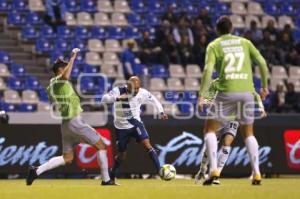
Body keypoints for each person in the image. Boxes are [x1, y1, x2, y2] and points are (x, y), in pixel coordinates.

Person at [26, 48, 116, 186]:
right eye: (64, 66)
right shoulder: (57, 81)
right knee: (101, 146)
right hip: (74, 121)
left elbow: (52, 98)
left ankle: (37, 171)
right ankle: (106, 180)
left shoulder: (51, 85)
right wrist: (73, 57)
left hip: (66, 124)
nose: (67, 68)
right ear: (60, 70)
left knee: (67, 158)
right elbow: (65, 76)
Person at [198, 16, 269, 185]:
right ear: (232, 28)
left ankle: (214, 170)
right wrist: (264, 87)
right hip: (246, 92)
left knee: (209, 131)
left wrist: (202, 94)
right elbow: (262, 63)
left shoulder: (214, 45)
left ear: (217, 30)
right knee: (249, 134)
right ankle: (257, 173)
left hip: (226, 91)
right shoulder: (245, 42)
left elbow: (208, 70)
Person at [195, 79, 267, 185]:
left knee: (227, 143)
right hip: (218, 117)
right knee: (210, 144)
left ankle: (216, 173)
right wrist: (207, 102)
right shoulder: (215, 83)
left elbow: (255, 94)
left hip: (232, 119)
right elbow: (208, 99)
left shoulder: (243, 81)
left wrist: (261, 107)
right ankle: (202, 169)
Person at [101, 76, 168, 184]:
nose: (136, 91)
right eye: (134, 89)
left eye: (137, 88)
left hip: (135, 123)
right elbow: (104, 98)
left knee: (147, 144)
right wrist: (117, 98)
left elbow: (155, 100)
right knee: (122, 155)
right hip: (121, 127)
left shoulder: (143, 93)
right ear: (127, 86)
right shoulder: (118, 91)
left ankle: (160, 170)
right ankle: (111, 177)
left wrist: (161, 112)